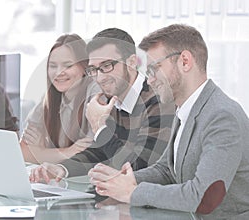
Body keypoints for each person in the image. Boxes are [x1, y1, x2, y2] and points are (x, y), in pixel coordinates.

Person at [88, 24, 249, 219]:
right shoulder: (185, 109)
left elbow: (204, 197)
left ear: (185, 61)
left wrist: (132, 192)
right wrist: (122, 180)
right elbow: (166, 170)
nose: (149, 80)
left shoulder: (221, 116)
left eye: (154, 69)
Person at [29, 28, 174, 182]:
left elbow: (137, 168)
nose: (100, 77)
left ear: (131, 62)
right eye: (94, 69)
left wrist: (99, 127)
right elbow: (99, 151)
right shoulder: (112, 99)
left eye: (107, 66)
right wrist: (62, 168)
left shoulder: (158, 102)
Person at [20, 34, 100, 164]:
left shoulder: (95, 93)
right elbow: (23, 151)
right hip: (57, 179)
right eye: (53, 66)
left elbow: (88, 155)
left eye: (68, 65)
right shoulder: (50, 98)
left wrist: (41, 151)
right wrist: (68, 151)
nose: (58, 72)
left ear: (84, 67)